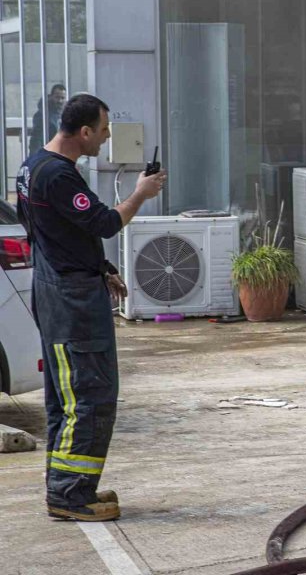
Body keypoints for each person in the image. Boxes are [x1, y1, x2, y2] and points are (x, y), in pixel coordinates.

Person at [16, 94, 166, 521]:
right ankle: (69, 495)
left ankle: (71, 485)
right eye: (103, 130)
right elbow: (104, 223)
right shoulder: (58, 176)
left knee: (68, 397)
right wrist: (141, 193)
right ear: (84, 132)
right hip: (72, 301)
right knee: (89, 395)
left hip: (58, 286)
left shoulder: (32, 166)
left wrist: (101, 267)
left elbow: (58, 232)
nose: (106, 137)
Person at [28, 84, 67, 157]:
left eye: (62, 98)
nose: (60, 101)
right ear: (51, 97)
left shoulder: (65, 114)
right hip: (48, 156)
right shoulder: (42, 115)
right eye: (57, 97)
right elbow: (35, 139)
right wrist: (35, 159)